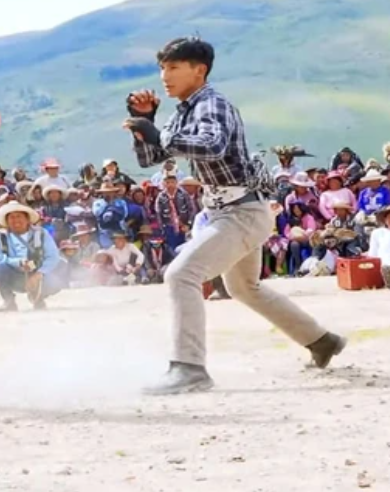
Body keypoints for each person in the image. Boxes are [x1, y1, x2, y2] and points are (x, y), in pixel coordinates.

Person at [123, 36, 346, 396]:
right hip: (231, 210)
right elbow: (150, 159)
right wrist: (144, 123)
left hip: (240, 211)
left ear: (200, 70)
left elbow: (212, 147)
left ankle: (189, 367)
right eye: (162, 68)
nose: (165, 76)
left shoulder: (212, 104)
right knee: (244, 288)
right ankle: (322, 341)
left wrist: (158, 135)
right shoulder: (184, 110)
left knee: (181, 275)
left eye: (174, 67)